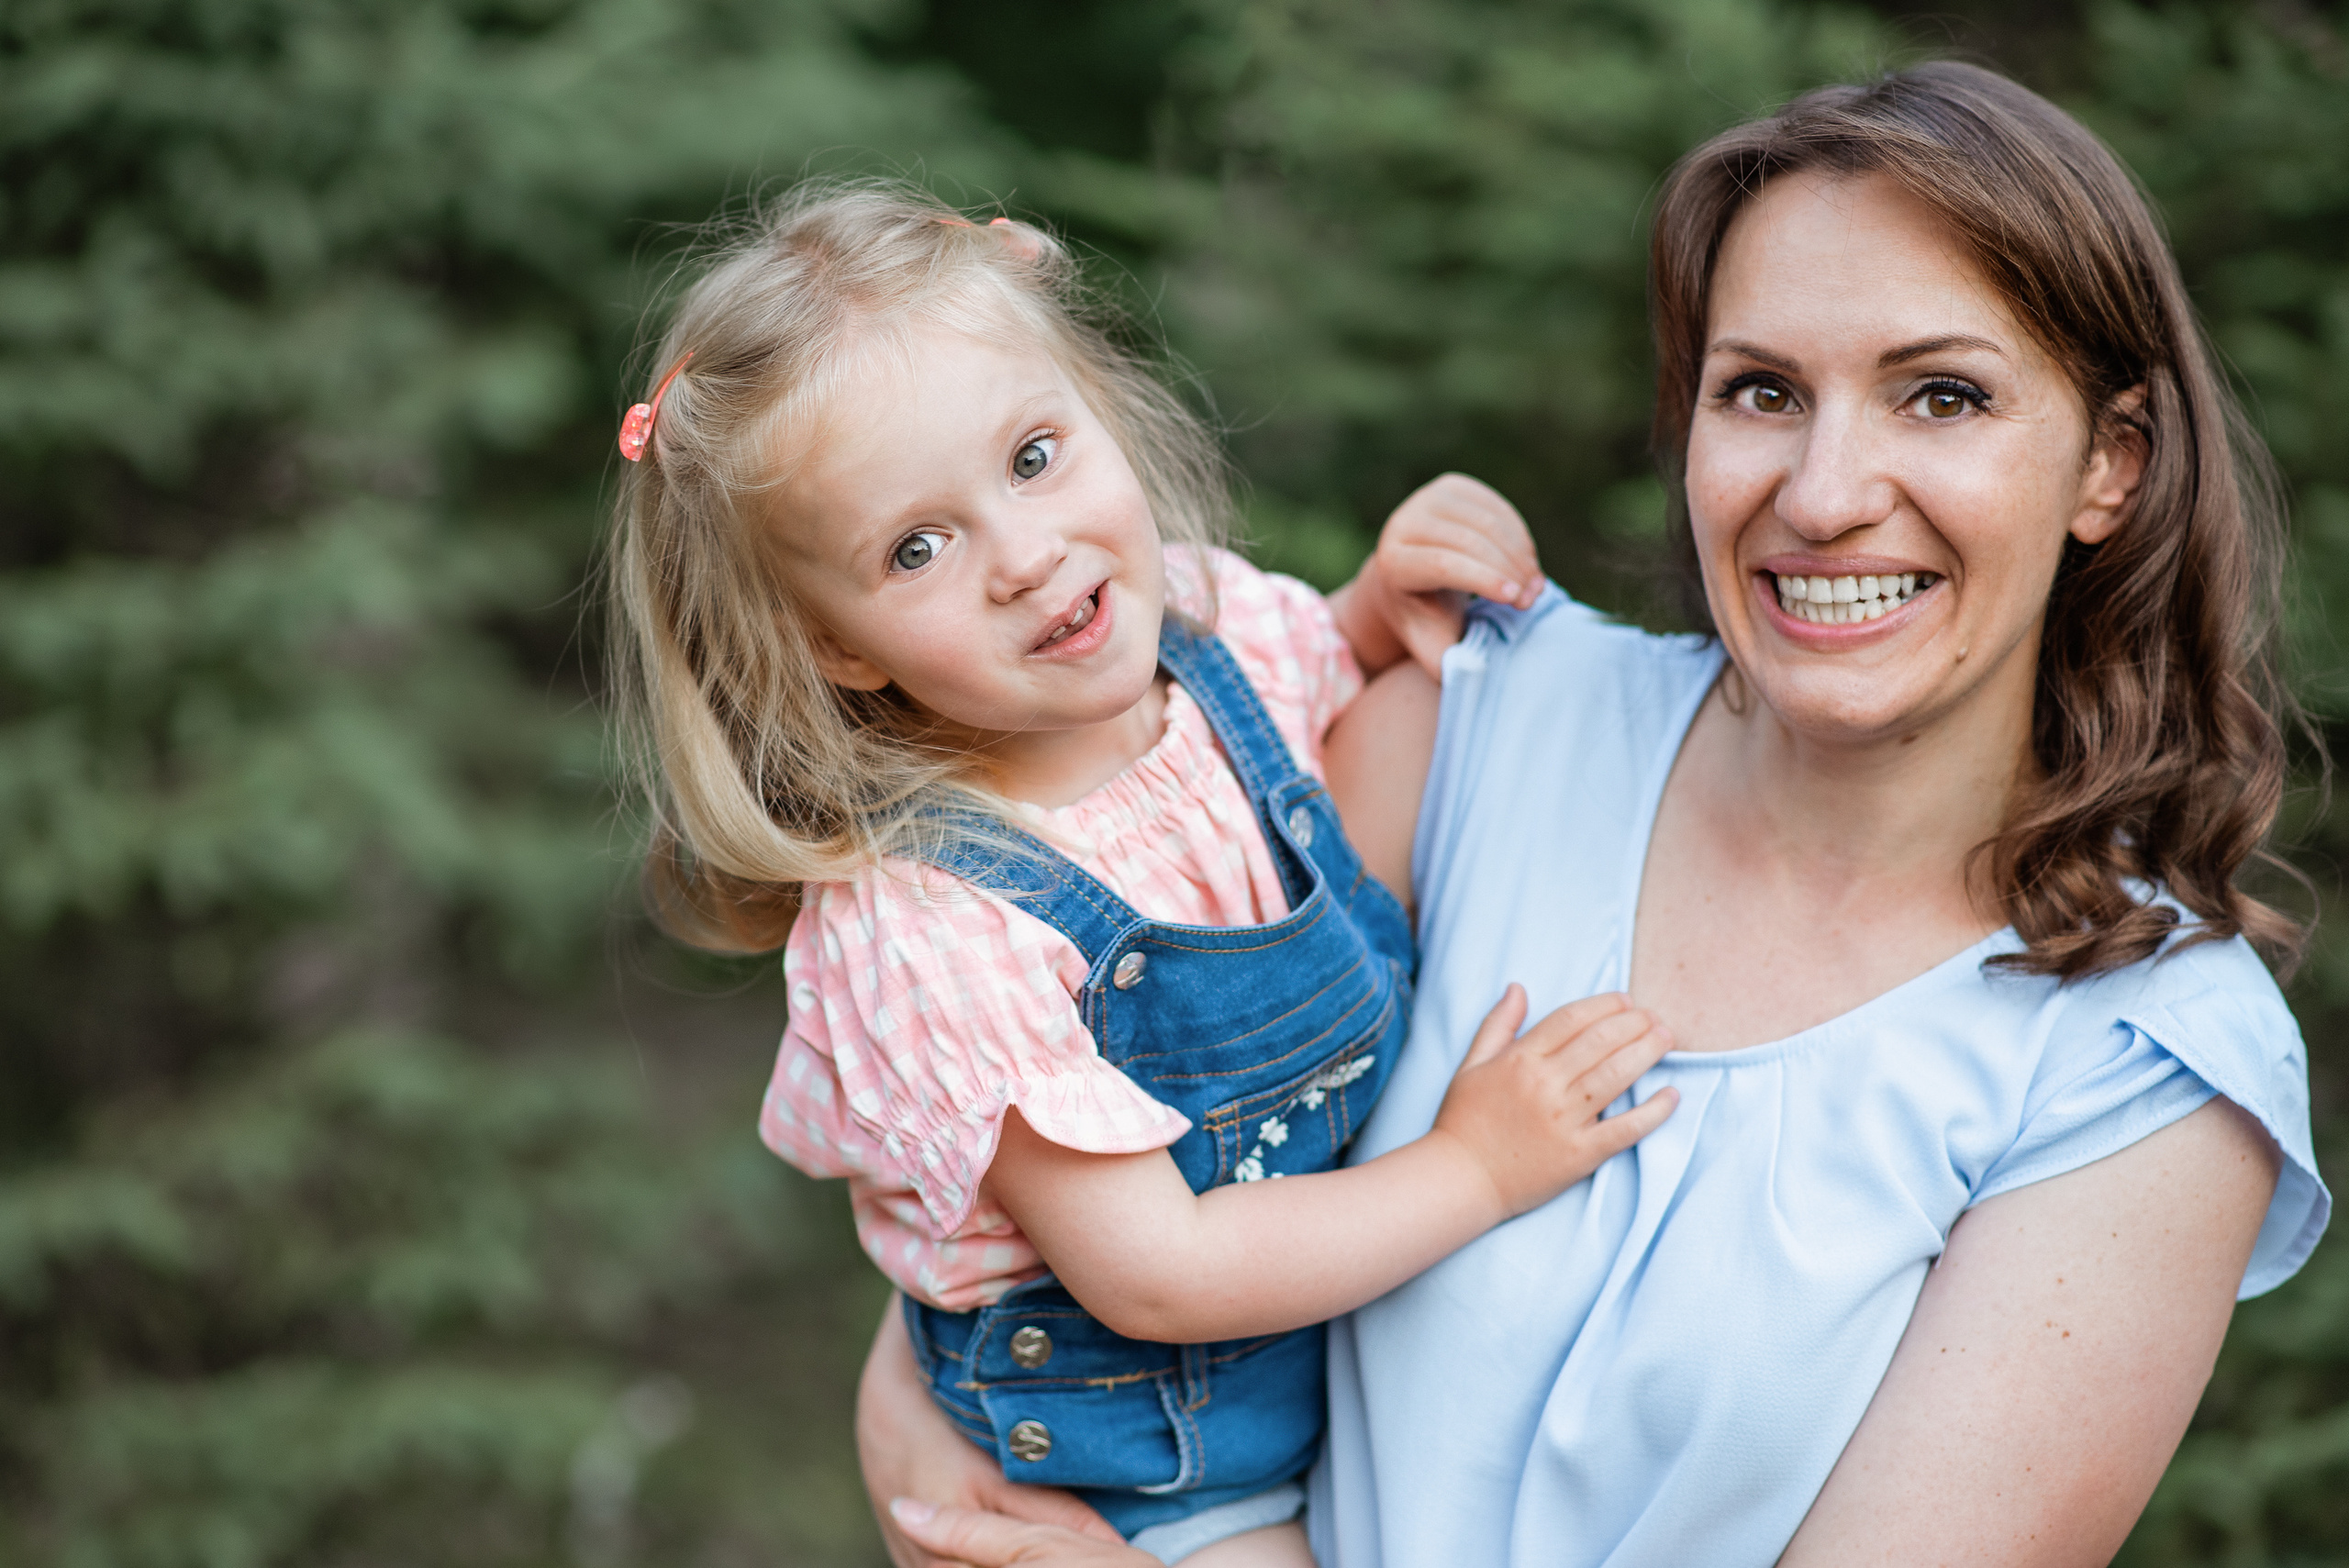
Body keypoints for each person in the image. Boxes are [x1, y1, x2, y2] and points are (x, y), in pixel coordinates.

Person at [855, 62, 2332, 1568]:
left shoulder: (2135, 1067)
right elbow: (1012, 1281)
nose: (1823, 495)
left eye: (1940, 395)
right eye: (1760, 391)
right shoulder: (1472, 719)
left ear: (2111, 461)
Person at [604, 183, 1683, 1568]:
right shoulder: (939, 922)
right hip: (1147, 1467)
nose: (1026, 554)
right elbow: (1159, 1273)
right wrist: (1476, 1166)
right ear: (835, 646)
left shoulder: (1209, 632)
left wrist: (1372, 605)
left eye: (1036, 455)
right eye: (917, 548)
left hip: (1305, 1349)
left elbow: (1325, 676)